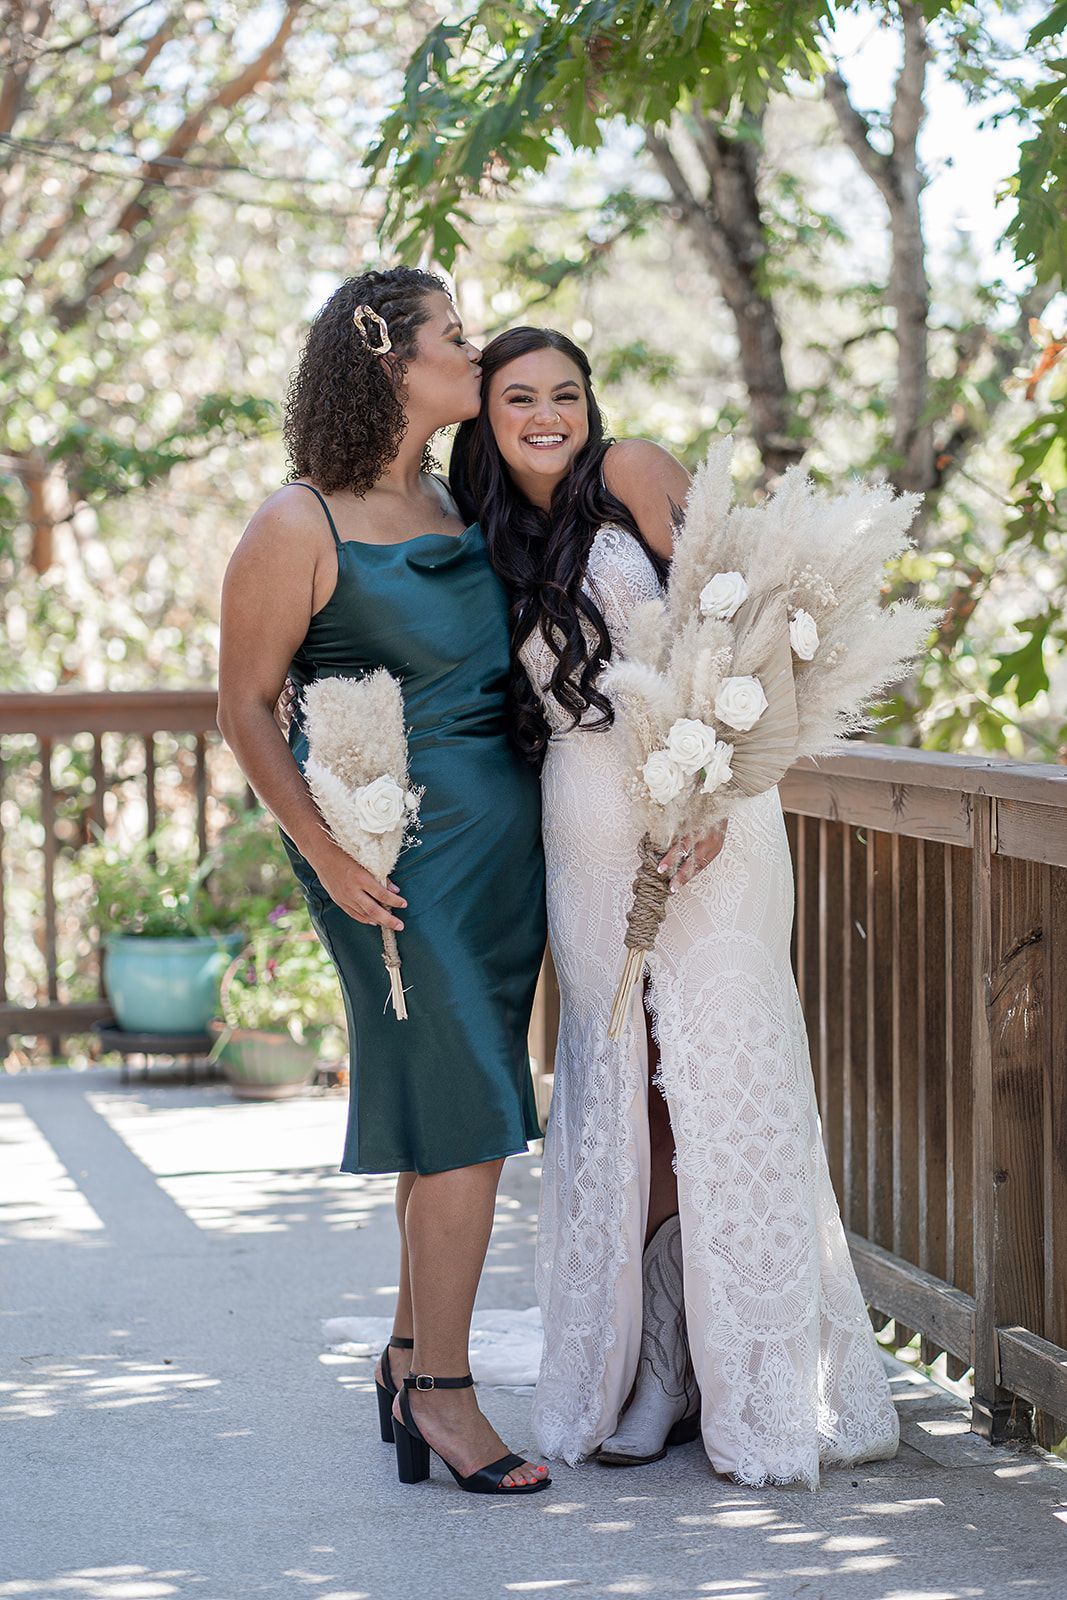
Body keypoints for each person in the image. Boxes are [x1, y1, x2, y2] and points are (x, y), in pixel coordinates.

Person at [450, 326, 900, 1489]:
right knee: (622, 1084)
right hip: (584, 837)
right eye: (516, 397)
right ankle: (651, 1362)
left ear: (589, 402)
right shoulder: (488, 535)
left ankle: (739, 1378)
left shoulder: (630, 473)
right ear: (484, 417)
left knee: (721, 1071)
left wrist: (713, 785)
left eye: (563, 392)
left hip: (708, 819)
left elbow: (738, 622)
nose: (544, 413)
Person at [217, 270, 551, 1497]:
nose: (474, 351)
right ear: (388, 361)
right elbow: (245, 709)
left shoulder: (463, 496)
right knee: (469, 1120)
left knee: (445, 1111)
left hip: (500, 855)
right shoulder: (297, 522)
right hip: (386, 858)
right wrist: (326, 852)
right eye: (455, 337)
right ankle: (449, 1398)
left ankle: (411, 1358)